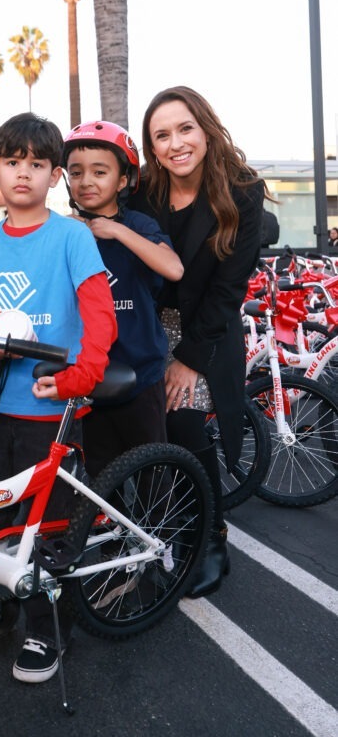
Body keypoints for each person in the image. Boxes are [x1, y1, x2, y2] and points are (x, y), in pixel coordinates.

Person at [0, 112, 116, 683]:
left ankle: (47, 630)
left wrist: (79, 378)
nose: (23, 173)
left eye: (37, 164)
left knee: (49, 530)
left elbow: (100, 317)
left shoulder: (71, 237)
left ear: (54, 175)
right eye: (12, 162)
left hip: (52, 414)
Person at [131, 85, 265, 598]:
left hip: (205, 329)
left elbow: (228, 290)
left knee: (185, 423)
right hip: (146, 324)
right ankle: (156, 527)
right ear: (151, 146)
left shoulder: (243, 191)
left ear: (206, 130)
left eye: (185, 128)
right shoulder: (143, 190)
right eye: (162, 135)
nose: (176, 143)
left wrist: (188, 359)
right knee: (142, 427)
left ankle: (210, 538)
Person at [62, 121, 183, 482]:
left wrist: (115, 230)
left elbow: (173, 268)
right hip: (87, 378)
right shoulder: (63, 230)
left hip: (141, 374)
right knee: (99, 479)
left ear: (123, 180)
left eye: (100, 172)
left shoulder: (138, 225)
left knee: (152, 475)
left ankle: (156, 522)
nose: (86, 181)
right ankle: (108, 523)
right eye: (76, 173)